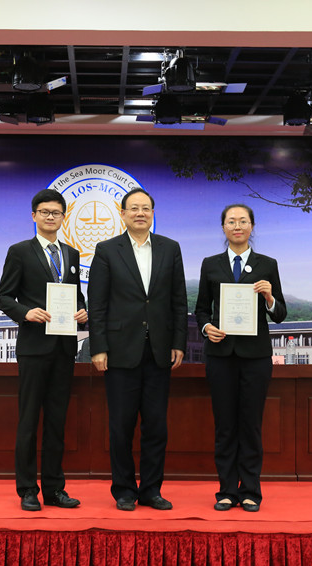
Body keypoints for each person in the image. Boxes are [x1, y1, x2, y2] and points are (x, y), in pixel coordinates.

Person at [88, 188, 187, 512]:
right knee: (121, 426)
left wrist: (178, 342)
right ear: (123, 213)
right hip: (119, 351)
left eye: (146, 208)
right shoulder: (106, 250)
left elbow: (178, 300)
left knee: (156, 426)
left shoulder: (170, 248)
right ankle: (124, 491)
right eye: (134, 208)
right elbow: (97, 303)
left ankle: (152, 490)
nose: (140, 213)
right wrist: (99, 347)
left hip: (159, 351)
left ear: (153, 213)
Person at [0, 189, 88, 512]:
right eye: (45, 212)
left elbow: (76, 296)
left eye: (56, 212)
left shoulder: (71, 254)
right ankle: (27, 490)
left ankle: (55, 489)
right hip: (34, 347)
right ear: (34, 216)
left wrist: (82, 311)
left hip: (64, 347)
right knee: (29, 420)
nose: (50, 217)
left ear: (64, 217)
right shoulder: (19, 251)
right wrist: (26, 312)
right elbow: (3, 297)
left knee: (57, 422)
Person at [194, 204, 287, 513]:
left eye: (243, 221)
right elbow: (201, 309)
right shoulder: (211, 264)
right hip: (220, 355)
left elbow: (280, 314)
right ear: (223, 227)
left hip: (255, 357)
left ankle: (250, 491)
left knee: (251, 425)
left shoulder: (267, 264)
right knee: (225, 426)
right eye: (231, 221)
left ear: (252, 226)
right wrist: (207, 328)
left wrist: (270, 298)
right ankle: (226, 491)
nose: (237, 226)